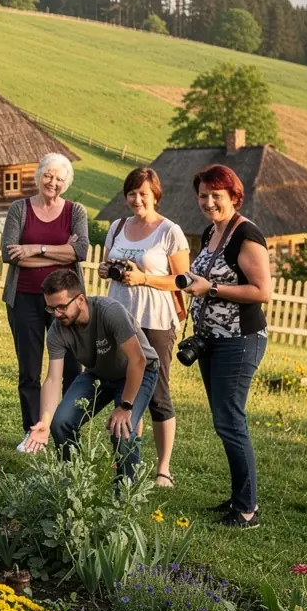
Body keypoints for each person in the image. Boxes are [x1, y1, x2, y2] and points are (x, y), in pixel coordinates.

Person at [182, 163, 271, 530]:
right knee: (225, 422)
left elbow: (262, 291)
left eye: (216, 196)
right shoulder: (211, 231)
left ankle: (247, 510)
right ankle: (239, 498)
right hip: (211, 341)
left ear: (233, 196)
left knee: (231, 421)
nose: (208, 202)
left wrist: (211, 289)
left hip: (240, 340)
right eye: (203, 195)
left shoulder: (246, 235)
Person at [99, 168, 190, 488]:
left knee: (158, 395)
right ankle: (128, 465)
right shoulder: (117, 226)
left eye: (143, 194)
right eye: (131, 194)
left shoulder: (170, 231)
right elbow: (107, 264)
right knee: (125, 393)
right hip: (120, 319)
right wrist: (106, 269)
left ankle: (163, 469)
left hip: (155, 322)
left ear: (155, 196)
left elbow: (184, 282)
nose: (136, 200)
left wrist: (144, 278)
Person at [23, 268, 160, 480]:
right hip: (98, 374)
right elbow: (53, 379)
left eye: (61, 306)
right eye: (51, 308)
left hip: (138, 372)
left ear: (80, 300)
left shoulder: (110, 312)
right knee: (61, 423)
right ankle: (75, 483)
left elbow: (138, 360)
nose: (56, 314)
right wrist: (45, 421)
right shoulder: (58, 330)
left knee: (122, 432)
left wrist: (125, 406)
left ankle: (124, 497)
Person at [2, 152, 89, 452]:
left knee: (70, 369)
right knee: (29, 369)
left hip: (65, 303)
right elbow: (9, 254)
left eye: (59, 178)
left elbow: (81, 252)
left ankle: (66, 432)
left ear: (67, 183)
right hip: (23, 298)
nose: (53, 182)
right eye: (48, 175)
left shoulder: (76, 211)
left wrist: (34, 249)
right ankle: (33, 433)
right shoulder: (19, 208)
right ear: (38, 175)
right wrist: (59, 251)